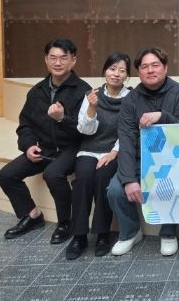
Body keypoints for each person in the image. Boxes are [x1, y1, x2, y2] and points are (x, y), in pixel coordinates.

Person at [0, 38, 90, 243]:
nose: (58, 63)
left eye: (63, 58)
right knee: (6, 175)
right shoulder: (37, 91)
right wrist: (29, 145)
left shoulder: (83, 90)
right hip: (44, 148)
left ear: (73, 60)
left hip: (71, 148)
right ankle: (32, 215)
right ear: (46, 60)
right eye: (53, 58)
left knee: (53, 174)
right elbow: (25, 125)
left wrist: (62, 118)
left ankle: (65, 222)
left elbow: (86, 131)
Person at [107, 47, 179, 256]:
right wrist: (129, 179)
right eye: (144, 67)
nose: (150, 70)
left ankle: (168, 232)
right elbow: (126, 140)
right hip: (139, 159)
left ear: (165, 67)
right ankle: (130, 232)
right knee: (115, 190)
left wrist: (162, 116)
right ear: (138, 72)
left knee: (169, 182)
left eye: (155, 65)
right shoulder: (130, 99)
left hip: (172, 159)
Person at [65, 52, 132, 260]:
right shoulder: (91, 95)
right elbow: (84, 130)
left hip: (115, 151)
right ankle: (79, 235)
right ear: (105, 71)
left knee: (103, 178)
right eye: (112, 69)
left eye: (122, 70)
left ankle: (103, 234)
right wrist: (92, 108)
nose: (116, 74)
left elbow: (128, 130)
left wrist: (113, 152)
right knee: (83, 178)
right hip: (89, 149)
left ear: (127, 76)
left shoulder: (131, 98)